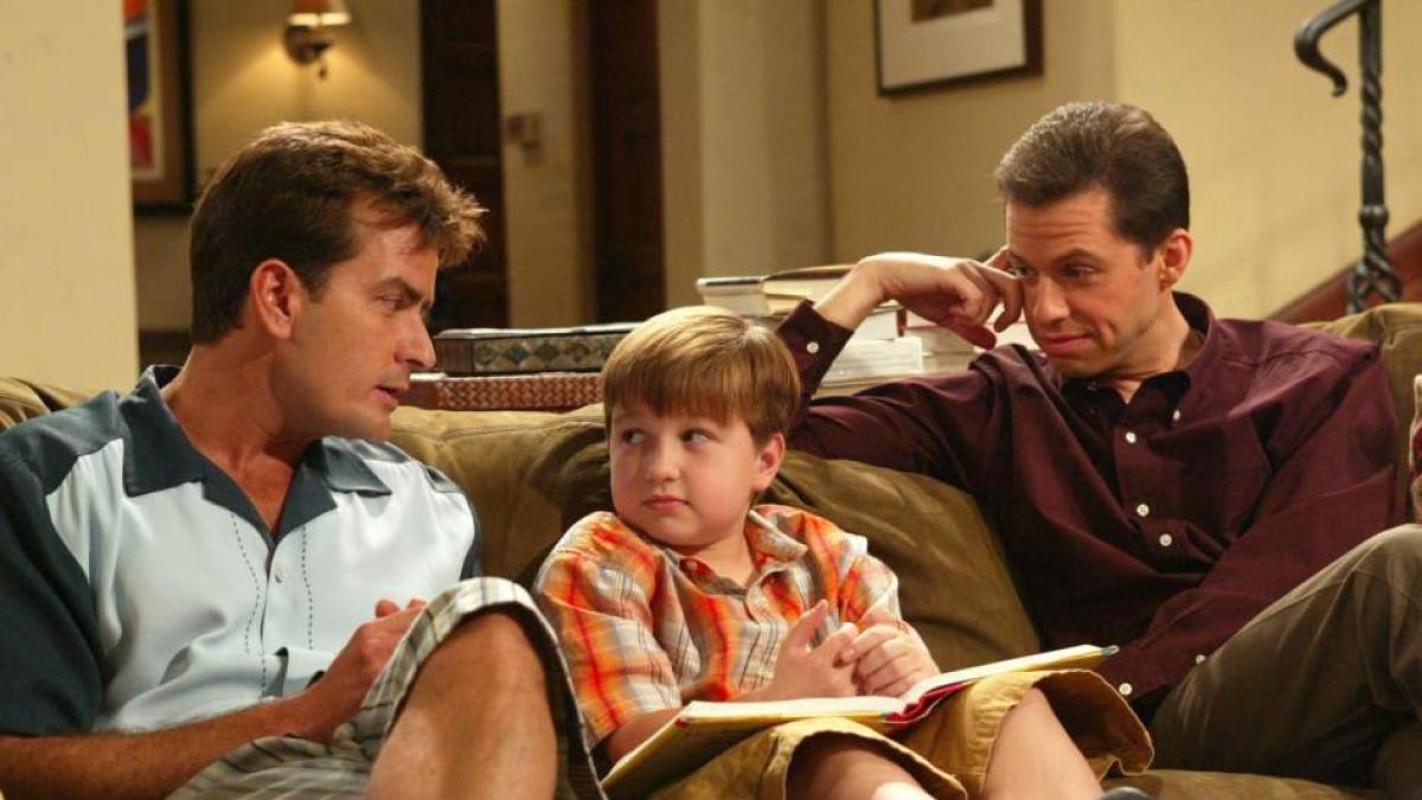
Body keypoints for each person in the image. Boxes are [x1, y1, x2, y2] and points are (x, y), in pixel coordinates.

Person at [776, 100, 1421, 793]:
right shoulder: (998, 404)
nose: (1045, 309)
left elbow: (1288, 576)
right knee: (1404, 569)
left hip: (1281, 694)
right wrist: (870, 282)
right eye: (1026, 272)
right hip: (1139, 730)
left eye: (1077, 272)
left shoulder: (1317, 381)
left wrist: (1108, 687)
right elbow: (749, 437)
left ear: (1170, 258)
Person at [0, 121, 599, 799]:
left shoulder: (432, 511)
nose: (422, 350)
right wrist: (308, 715)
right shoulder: (55, 484)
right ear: (279, 298)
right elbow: (19, 767)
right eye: (393, 303)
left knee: (493, 627)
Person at [535, 306, 1154, 799]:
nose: (659, 466)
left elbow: (901, 698)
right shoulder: (601, 558)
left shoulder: (819, 547)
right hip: (714, 779)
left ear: (765, 461)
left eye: (693, 436)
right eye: (633, 437)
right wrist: (778, 703)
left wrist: (911, 673)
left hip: (871, 750)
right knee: (832, 746)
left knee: (1010, 704)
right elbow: (634, 747)